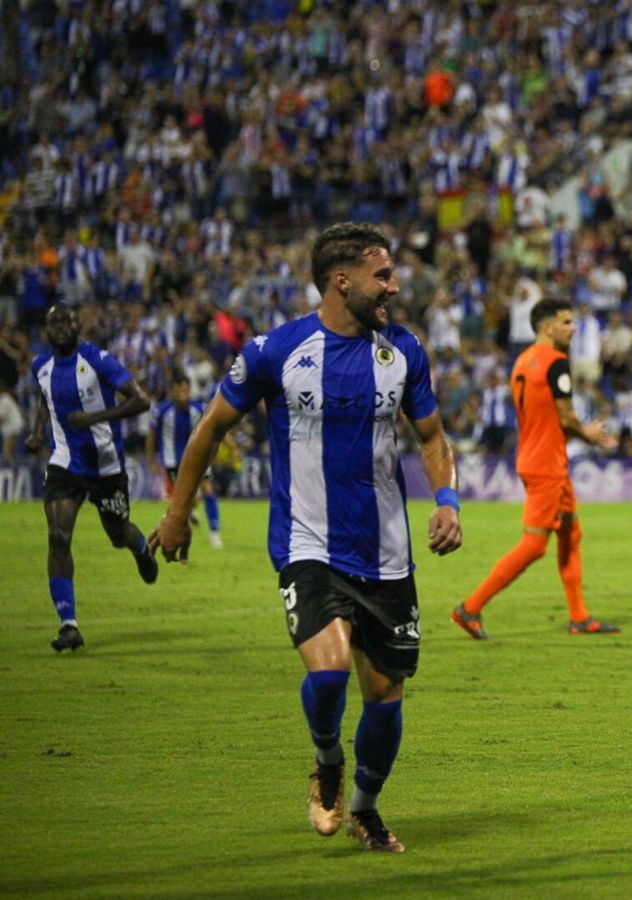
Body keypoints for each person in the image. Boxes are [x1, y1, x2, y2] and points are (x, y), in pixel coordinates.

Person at [148, 223, 463, 853]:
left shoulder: (403, 350)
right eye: (383, 275)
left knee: (384, 697)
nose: (394, 287)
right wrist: (178, 513)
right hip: (306, 543)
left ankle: (367, 811)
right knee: (328, 674)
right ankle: (326, 763)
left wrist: (448, 500)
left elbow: (430, 435)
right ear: (341, 280)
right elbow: (211, 428)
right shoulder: (276, 350)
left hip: (386, 552)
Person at [451, 298, 620, 639]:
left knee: (571, 532)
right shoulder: (556, 363)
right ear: (548, 327)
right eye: (567, 323)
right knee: (533, 546)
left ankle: (579, 617)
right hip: (547, 464)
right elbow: (566, 416)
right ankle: (470, 608)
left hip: (530, 455)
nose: (572, 329)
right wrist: (588, 435)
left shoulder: (522, 361)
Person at [25, 305, 160, 653]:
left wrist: (95, 417)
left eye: (66, 321)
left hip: (106, 465)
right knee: (58, 534)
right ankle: (69, 624)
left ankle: (140, 546)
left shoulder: (99, 360)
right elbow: (45, 399)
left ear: (77, 325)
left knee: (117, 534)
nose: (59, 328)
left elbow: (141, 401)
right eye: (53, 322)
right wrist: (38, 432)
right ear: (46, 329)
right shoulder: (40, 366)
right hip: (65, 462)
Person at [148, 373, 223, 549]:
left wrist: (224, 448)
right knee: (184, 497)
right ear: (171, 391)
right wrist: (151, 460)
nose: (183, 393)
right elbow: (151, 438)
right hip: (172, 461)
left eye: (186, 390)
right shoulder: (160, 411)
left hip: (199, 458)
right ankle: (189, 511)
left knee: (207, 489)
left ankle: (214, 533)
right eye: (179, 390)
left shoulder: (200, 408)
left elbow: (216, 428)